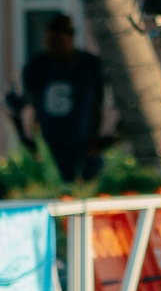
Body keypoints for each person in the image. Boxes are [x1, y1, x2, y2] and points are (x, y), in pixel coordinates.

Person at [14, 14, 107, 182]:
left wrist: (97, 137)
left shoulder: (89, 65)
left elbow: (99, 102)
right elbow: (24, 103)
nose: (54, 46)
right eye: (50, 42)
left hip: (82, 143)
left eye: (58, 40)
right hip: (49, 144)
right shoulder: (38, 66)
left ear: (70, 37)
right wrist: (30, 140)